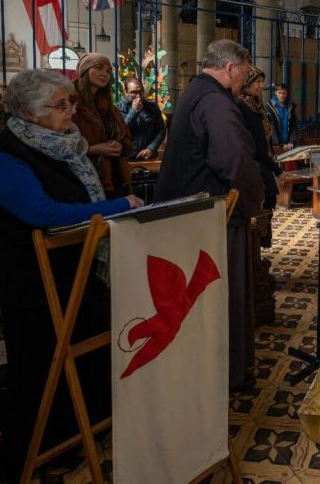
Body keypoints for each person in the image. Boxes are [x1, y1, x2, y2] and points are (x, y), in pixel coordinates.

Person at [0, 69, 143, 482]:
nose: (70, 111)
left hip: (76, 274)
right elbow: (42, 214)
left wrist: (112, 200)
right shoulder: (5, 158)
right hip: (32, 283)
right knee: (39, 373)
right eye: (60, 105)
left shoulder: (64, 147)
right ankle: (33, 457)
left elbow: (79, 196)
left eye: (71, 102)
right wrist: (117, 208)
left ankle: (75, 438)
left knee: (82, 361)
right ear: (30, 112)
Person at [154, 39, 265, 389]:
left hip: (189, 213)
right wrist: (255, 200)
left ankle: (210, 368)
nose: (245, 81)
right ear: (230, 68)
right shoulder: (216, 102)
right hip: (210, 215)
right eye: (245, 73)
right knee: (223, 297)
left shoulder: (196, 93)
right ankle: (226, 374)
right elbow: (233, 159)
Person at [73, 53, 132, 197]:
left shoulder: (109, 106)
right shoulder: (70, 102)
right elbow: (61, 142)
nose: (104, 74)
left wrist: (121, 145)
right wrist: (92, 150)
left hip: (115, 176)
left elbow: (126, 135)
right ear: (85, 70)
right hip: (85, 177)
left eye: (108, 71)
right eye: (99, 68)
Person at [238, 66, 282, 212]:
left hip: (264, 164)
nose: (261, 86)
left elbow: (265, 139)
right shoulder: (241, 105)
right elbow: (256, 143)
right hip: (254, 167)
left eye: (262, 82)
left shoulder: (257, 105)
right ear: (247, 82)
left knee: (268, 210)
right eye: (257, 82)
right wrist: (277, 169)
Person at [117, 77, 166, 160]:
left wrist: (151, 148)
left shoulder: (152, 107)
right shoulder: (118, 108)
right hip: (126, 157)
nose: (138, 95)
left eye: (140, 91)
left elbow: (161, 130)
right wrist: (133, 111)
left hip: (148, 156)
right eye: (134, 92)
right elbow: (119, 130)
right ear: (126, 93)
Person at [266, 82, 299, 152]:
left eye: (284, 93)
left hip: (289, 144)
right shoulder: (269, 106)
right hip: (275, 145)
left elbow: (293, 125)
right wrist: (279, 144)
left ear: (287, 93)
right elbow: (271, 127)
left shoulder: (290, 106)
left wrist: (291, 142)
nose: (282, 95)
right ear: (275, 93)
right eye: (279, 93)